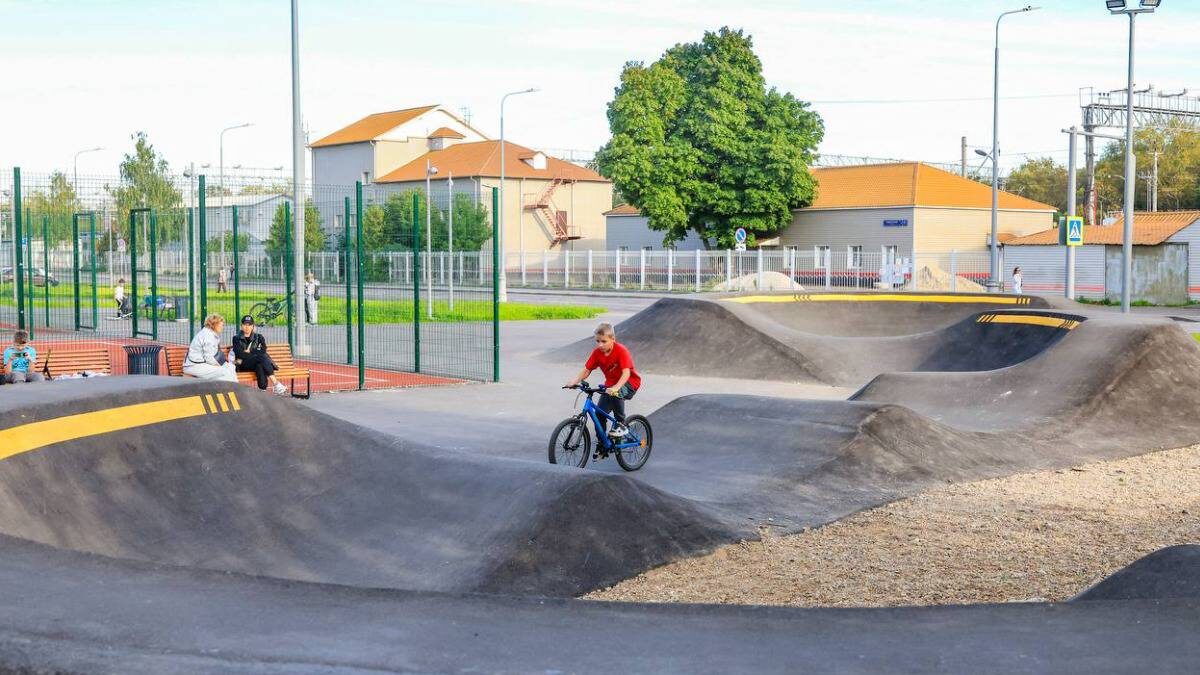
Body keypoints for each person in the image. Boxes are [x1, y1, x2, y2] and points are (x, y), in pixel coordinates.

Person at [565, 322, 642, 438]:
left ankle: (621, 425)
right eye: (598, 341)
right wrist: (574, 381)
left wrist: (616, 387)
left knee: (617, 393)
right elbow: (587, 370)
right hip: (610, 386)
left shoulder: (621, 351)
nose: (600, 345)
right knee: (599, 414)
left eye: (604, 341)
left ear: (613, 339)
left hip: (630, 383)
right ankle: (602, 444)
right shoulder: (597, 353)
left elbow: (626, 373)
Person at [232, 314, 287, 395]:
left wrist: (250, 352)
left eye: (249, 324)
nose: (247, 327)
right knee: (261, 358)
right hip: (242, 364)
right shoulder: (236, 338)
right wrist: (255, 352)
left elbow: (263, 350)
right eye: (245, 324)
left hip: (256, 362)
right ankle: (276, 384)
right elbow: (239, 354)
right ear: (241, 326)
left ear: (253, 326)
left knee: (260, 365)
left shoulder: (259, 337)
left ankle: (263, 392)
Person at [183, 313, 237, 382]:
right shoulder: (207, 336)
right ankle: (233, 389)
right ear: (214, 325)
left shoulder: (210, 334)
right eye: (221, 325)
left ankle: (233, 389)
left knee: (230, 367)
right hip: (194, 366)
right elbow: (209, 358)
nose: (222, 327)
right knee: (224, 371)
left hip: (201, 365)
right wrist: (219, 366)